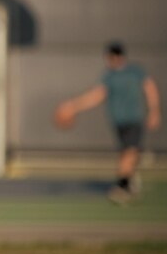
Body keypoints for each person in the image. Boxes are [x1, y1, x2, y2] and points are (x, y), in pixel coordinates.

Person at [54, 42, 161, 205]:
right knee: (127, 153)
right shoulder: (109, 76)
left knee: (130, 152)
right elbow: (96, 95)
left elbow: (150, 87)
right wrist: (73, 106)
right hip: (118, 121)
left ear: (115, 56)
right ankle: (130, 180)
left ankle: (123, 186)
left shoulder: (134, 71)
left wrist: (154, 110)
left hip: (134, 119)